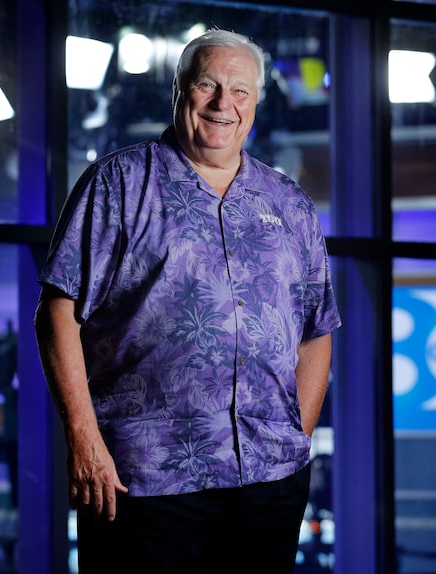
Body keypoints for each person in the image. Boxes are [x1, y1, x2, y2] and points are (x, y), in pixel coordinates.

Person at [34, 28, 341, 574]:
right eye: (208, 84)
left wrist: (297, 436)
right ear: (180, 92)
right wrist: (83, 439)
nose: (225, 103)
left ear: (257, 102)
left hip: (269, 483)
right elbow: (57, 312)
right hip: (143, 479)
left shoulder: (289, 203)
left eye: (241, 91)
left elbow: (316, 328)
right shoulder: (119, 183)